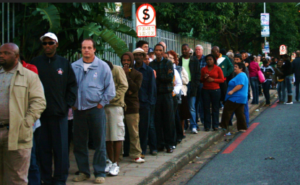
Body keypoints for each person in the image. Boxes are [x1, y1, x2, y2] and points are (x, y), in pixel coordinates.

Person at [31, 32, 77, 185]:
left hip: (59, 114)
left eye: (50, 43)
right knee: (43, 149)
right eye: (45, 43)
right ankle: (45, 178)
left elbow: (72, 86)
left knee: (61, 149)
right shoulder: (35, 63)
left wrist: (66, 105)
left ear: (56, 44)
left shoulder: (64, 63)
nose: (47, 46)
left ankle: (60, 178)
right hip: (40, 115)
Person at [0, 43, 46, 184]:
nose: (2, 55)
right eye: (0, 53)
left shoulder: (29, 76)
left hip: (17, 132)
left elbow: (39, 102)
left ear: (17, 56)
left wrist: (26, 123)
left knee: (17, 177)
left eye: (6, 53)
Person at [71, 38, 115, 184]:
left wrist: (101, 104)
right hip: (79, 110)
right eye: (84, 48)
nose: (86, 50)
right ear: (81, 49)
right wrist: (72, 104)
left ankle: (99, 172)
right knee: (79, 142)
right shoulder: (74, 67)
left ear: (94, 49)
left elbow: (110, 90)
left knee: (99, 142)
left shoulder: (102, 66)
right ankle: (84, 171)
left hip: (95, 109)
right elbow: (68, 87)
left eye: (89, 47)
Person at [149, 44, 175, 153]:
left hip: (167, 94)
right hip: (157, 95)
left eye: (160, 50)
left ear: (163, 51)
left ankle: (170, 144)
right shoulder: (151, 64)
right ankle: (160, 144)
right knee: (157, 120)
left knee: (168, 120)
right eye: (156, 50)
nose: (158, 52)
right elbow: (152, 79)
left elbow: (169, 78)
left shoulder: (168, 63)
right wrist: (161, 76)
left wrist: (158, 76)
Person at [104, 60, 128, 176]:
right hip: (103, 106)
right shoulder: (100, 70)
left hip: (115, 106)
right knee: (107, 136)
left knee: (117, 135)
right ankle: (110, 160)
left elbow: (124, 85)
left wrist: (112, 97)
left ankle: (116, 163)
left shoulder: (117, 69)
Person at [121, 52, 145, 162]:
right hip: (120, 105)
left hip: (132, 106)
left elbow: (135, 88)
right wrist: (127, 91)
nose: (126, 63)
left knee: (134, 132)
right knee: (119, 133)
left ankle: (136, 154)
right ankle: (118, 154)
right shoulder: (118, 72)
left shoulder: (137, 74)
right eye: (124, 60)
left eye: (128, 60)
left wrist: (127, 76)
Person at [133, 48, 156, 158]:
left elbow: (152, 88)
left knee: (143, 128)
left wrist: (149, 103)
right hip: (132, 103)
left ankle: (142, 150)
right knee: (133, 128)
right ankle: (132, 150)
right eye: (136, 55)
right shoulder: (130, 70)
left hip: (144, 103)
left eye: (140, 55)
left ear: (143, 56)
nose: (138, 57)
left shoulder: (149, 70)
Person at [220, 62, 248, 134]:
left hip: (235, 97)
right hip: (240, 98)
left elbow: (240, 85)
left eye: (236, 67)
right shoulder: (240, 75)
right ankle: (242, 127)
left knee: (227, 111)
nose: (234, 68)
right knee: (239, 113)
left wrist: (232, 91)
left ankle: (223, 126)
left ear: (241, 68)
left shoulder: (241, 75)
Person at [178, 44, 200, 134]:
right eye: (182, 49)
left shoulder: (194, 60)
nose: (184, 51)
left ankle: (193, 125)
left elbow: (198, 73)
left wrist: (195, 84)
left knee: (192, 107)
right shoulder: (179, 60)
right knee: (184, 106)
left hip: (192, 84)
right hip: (183, 85)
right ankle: (185, 126)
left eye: (185, 49)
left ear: (189, 50)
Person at [200, 54, 224, 131]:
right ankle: (207, 125)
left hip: (216, 90)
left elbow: (222, 80)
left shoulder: (218, 69)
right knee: (206, 108)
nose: (209, 61)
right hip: (205, 90)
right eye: (207, 60)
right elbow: (200, 80)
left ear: (214, 60)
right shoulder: (203, 69)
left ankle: (215, 124)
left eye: (210, 59)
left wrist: (213, 80)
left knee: (215, 108)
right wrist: (204, 78)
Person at [168, 50, 183, 146]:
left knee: (172, 118)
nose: (169, 60)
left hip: (172, 97)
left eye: (171, 58)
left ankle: (175, 138)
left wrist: (174, 92)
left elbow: (178, 84)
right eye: (167, 58)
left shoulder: (175, 71)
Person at [143, 54, 157, 155]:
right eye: (145, 59)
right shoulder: (134, 70)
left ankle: (153, 147)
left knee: (150, 124)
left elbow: (152, 88)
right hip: (139, 101)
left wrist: (150, 101)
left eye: (148, 59)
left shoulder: (150, 71)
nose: (147, 61)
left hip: (148, 102)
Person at [194, 45, 206, 128]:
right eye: (196, 49)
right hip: (194, 83)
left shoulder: (206, 59)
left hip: (202, 83)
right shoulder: (192, 59)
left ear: (202, 50)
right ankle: (195, 120)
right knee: (195, 102)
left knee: (202, 102)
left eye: (199, 49)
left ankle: (203, 119)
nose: (198, 51)